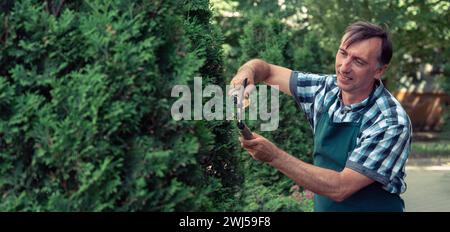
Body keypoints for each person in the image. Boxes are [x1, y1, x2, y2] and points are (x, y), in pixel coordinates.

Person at [229, 21, 412, 212]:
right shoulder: (325, 90)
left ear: (379, 70)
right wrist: (246, 73)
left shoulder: (390, 122)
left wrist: (273, 156)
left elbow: (341, 187)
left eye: (358, 61)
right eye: (343, 53)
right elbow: (267, 70)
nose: (344, 67)